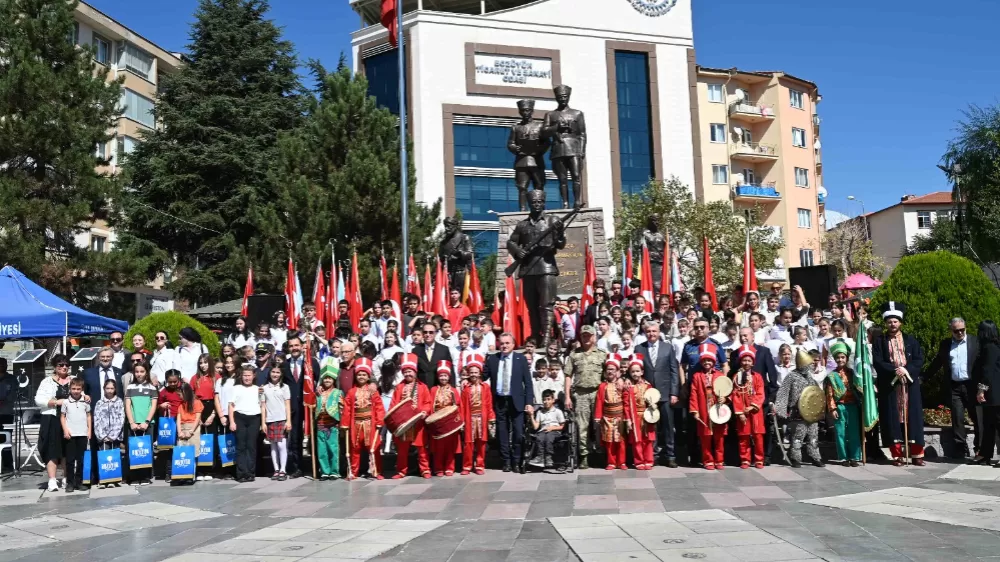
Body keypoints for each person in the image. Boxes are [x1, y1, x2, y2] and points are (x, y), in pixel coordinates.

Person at [872, 302, 926, 466]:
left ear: (900, 322)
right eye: (889, 321)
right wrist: (895, 370)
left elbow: (918, 359)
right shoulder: (879, 341)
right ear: (885, 323)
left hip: (909, 384)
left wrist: (906, 370)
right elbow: (878, 361)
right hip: (891, 385)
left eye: (895, 321)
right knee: (892, 418)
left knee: (913, 418)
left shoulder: (911, 340)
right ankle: (897, 455)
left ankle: (916, 454)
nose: (892, 324)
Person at [924, 317, 979, 459]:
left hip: (971, 386)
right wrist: (923, 377)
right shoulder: (946, 344)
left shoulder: (974, 342)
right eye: (956, 331)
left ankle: (979, 447)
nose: (960, 333)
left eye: (962, 330)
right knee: (957, 417)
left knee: (977, 417)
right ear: (951, 331)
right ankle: (961, 449)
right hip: (955, 386)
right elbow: (938, 362)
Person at [485, 333, 533, 472]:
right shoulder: (493, 359)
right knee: (502, 432)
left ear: (513, 345)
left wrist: (529, 402)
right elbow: (483, 375)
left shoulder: (520, 359)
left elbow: (528, 383)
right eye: (502, 343)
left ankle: (516, 461)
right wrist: (469, 377)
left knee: (518, 432)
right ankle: (506, 461)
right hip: (500, 400)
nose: (504, 346)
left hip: (516, 400)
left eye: (507, 343)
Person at [635, 320, 680, 467]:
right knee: (650, 425)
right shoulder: (639, 349)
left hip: (666, 393)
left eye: (654, 331)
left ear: (659, 332)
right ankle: (652, 455)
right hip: (647, 395)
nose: (651, 334)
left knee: (668, 425)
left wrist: (674, 393)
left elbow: (674, 371)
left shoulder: (668, 348)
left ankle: (670, 455)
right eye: (648, 331)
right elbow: (636, 372)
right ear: (645, 332)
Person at [563, 325, 607, 469]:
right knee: (582, 426)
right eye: (584, 336)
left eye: (589, 335)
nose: (586, 338)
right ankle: (584, 456)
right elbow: (568, 375)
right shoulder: (574, 354)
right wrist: (567, 397)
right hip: (580, 394)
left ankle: (601, 453)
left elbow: (608, 375)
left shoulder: (602, 354)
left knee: (599, 425)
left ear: (594, 337)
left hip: (597, 393)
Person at [775, 349, 825, 468]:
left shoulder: (810, 377)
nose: (809, 366)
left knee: (813, 436)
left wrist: (820, 409)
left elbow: (816, 394)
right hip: (797, 412)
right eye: (808, 364)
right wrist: (780, 408)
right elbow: (783, 393)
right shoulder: (791, 376)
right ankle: (795, 457)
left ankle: (814, 456)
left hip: (812, 413)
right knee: (798, 436)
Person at [281, 335, 319, 478]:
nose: (294, 348)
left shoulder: (311, 363)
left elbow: (319, 381)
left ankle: (317, 466)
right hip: (293, 407)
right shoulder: (284, 365)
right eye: (291, 346)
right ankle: (298, 467)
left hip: (310, 405)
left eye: (296, 345)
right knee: (295, 438)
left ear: (302, 346)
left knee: (314, 435)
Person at [388, 355, 432, 478]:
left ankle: (425, 469)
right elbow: (393, 405)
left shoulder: (423, 387)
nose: (408, 374)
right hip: (404, 424)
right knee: (402, 450)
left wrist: (424, 412)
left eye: (410, 371)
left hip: (418, 423)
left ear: (415, 372)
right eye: (405, 372)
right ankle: (401, 470)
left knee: (422, 448)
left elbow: (428, 403)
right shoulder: (399, 387)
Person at [340, 360, 385, 480]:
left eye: (364, 375)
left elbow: (379, 406)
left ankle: (376, 471)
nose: (361, 377)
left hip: (370, 423)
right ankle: (353, 472)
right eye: (359, 374)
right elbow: (347, 408)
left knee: (373, 448)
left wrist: (380, 421)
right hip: (356, 424)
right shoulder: (351, 392)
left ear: (368, 376)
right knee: (355, 449)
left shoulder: (373, 391)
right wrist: (345, 424)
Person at [688, 344, 728, 470]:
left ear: (713, 361)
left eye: (709, 360)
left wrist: (725, 399)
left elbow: (727, 390)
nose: (707, 362)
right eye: (704, 360)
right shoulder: (697, 376)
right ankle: (708, 460)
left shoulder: (720, 375)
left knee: (719, 437)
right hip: (704, 410)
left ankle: (719, 460)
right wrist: (694, 410)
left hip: (718, 409)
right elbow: (693, 393)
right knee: (705, 437)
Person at [826, 342, 862, 467]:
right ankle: (843, 457)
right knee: (840, 432)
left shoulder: (853, 373)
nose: (840, 359)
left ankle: (854, 456)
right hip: (840, 406)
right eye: (838, 357)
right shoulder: (832, 375)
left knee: (853, 432)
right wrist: (833, 408)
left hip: (852, 406)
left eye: (843, 357)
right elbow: (829, 394)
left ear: (846, 358)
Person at [731, 345, 765, 469]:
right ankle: (745, 459)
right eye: (744, 360)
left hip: (755, 410)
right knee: (743, 436)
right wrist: (740, 412)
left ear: (753, 362)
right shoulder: (736, 377)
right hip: (742, 410)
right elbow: (735, 395)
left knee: (758, 435)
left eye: (749, 360)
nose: (746, 363)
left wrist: (751, 407)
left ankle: (759, 459)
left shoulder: (758, 377)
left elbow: (761, 393)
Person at [228, 365, 264, 482]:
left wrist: (263, 423)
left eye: (249, 375)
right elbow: (231, 405)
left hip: (254, 418)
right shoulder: (236, 388)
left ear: (253, 376)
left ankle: (250, 472)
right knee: (241, 446)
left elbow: (262, 405)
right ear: (241, 376)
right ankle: (241, 473)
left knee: (251, 446)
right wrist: (232, 421)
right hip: (240, 417)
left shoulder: (258, 389)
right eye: (244, 375)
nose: (247, 378)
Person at [125, 361, 158, 485]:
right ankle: (134, 477)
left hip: (147, 424)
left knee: (145, 450)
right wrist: (132, 422)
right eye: (137, 372)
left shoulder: (151, 388)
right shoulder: (130, 387)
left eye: (142, 371)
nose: (139, 374)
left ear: (146, 372)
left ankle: (145, 476)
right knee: (134, 450)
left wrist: (146, 421)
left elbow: (153, 406)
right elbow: (128, 405)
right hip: (133, 424)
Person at [462, 354, 494, 475]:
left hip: (482, 417)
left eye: (476, 372)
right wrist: (463, 420)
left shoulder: (485, 387)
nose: (474, 374)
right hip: (470, 418)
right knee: (468, 443)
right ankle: (467, 465)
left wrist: (491, 417)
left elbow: (489, 403)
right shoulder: (466, 388)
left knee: (481, 442)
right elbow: (463, 405)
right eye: (471, 372)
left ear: (480, 373)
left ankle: (480, 465)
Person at [973, 320, 1000, 465]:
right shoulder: (994, 346)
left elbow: (988, 371)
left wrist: (981, 390)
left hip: (994, 392)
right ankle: (985, 453)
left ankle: (985, 454)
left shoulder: (989, 348)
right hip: (995, 391)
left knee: (995, 423)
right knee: (989, 424)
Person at [429, 361, 463, 477]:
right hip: (438, 421)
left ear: (449, 377)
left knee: (450, 446)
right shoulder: (433, 390)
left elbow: (458, 405)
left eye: (445, 376)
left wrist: (459, 420)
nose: (443, 378)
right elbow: (430, 406)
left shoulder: (453, 390)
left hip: (450, 421)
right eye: (441, 376)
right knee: (439, 447)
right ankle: (438, 468)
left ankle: (449, 467)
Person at [623, 355, 656, 470]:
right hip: (634, 416)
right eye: (633, 372)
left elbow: (653, 399)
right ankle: (639, 461)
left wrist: (653, 406)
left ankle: (649, 460)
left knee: (648, 439)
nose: (635, 374)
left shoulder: (648, 385)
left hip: (647, 416)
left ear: (642, 372)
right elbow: (626, 405)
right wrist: (627, 419)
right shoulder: (628, 387)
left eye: (637, 371)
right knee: (637, 440)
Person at [60, 378, 91, 492]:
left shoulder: (85, 401)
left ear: (82, 389)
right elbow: (62, 417)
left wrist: (89, 430)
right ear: (70, 389)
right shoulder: (66, 402)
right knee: (70, 460)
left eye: (78, 389)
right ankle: (70, 483)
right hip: (70, 434)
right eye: (73, 389)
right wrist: (65, 430)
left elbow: (88, 416)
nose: (76, 391)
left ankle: (79, 482)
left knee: (81, 459)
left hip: (82, 433)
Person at [93, 379, 124, 488]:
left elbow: (121, 419)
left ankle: (114, 479)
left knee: (114, 457)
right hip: (103, 436)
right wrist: (102, 435)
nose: (110, 391)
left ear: (115, 389)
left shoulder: (119, 402)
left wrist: (113, 435)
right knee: (104, 457)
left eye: (112, 388)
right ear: (104, 389)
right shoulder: (99, 403)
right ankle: (104, 480)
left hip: (114, 436)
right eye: (107, 388)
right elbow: (96, 419)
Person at [526, 389, 565, 472]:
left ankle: (548, 457)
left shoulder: (557, 412)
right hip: (543, 430)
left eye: (548, 399)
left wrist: (551, 428)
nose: (546, 402)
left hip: (555, 430)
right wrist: (532, 416)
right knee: (539, 438)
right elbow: (536, 427)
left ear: (553, 400)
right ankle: (540, 457)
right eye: (544, 400)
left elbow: (562, 426)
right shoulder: (540, 412)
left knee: (549, 438)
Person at [313, 367, 341, 480]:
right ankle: (324, 471)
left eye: (330, 378)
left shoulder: (338, 393)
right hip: (320, 425)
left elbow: (341, 409)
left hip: (333, 425)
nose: (327, 381)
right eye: (325, 378)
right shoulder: (319, 393)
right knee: (322, 450)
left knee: (333, 449)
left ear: (334, 380)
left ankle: (334, 471)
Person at [175, 381, 203, 485]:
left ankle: (191, 475)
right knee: (183, 453)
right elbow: (178, 418)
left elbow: (197, 418)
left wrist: (191, 431)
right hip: (182, 427)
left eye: (180, 394)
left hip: (193, 428)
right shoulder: (181, 405)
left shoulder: (196, 402)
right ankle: (182, 475)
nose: (179, 397)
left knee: (193, 452)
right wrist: (180, 432)